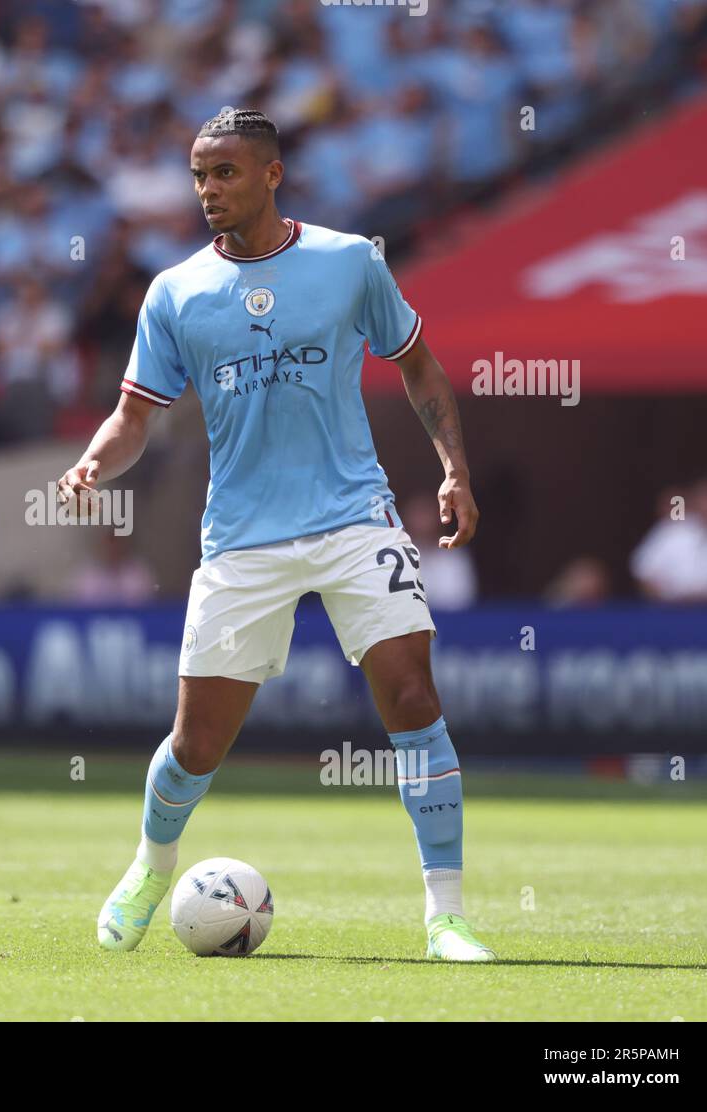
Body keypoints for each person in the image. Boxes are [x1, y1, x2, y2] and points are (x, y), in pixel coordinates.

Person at [56, 109, 493, 962]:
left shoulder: (348, 260)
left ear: (271, 174)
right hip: (244, 537)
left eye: (224, 173)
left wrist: (454, 470)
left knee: (412, 698)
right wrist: (90, 465)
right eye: (197, 175)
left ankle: (446, 916)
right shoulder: (175, 291)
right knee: (196, 743)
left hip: (354, 517)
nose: (208, 190)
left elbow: (417, 364)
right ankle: (150, 869)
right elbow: (134, 415)